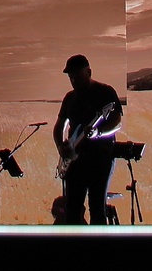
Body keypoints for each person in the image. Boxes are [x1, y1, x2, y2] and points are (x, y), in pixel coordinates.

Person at [53, 53, 123, 226]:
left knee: (97, 208)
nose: (74, 80)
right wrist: (61, 146)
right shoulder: (70, 98)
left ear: (89, 72)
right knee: (73, 209)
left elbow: (116, 123)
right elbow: (59, 126)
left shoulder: (105, 92)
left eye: (77, 75)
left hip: (100, 159)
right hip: (75, 161)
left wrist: (98, 133)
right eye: (71, 77)